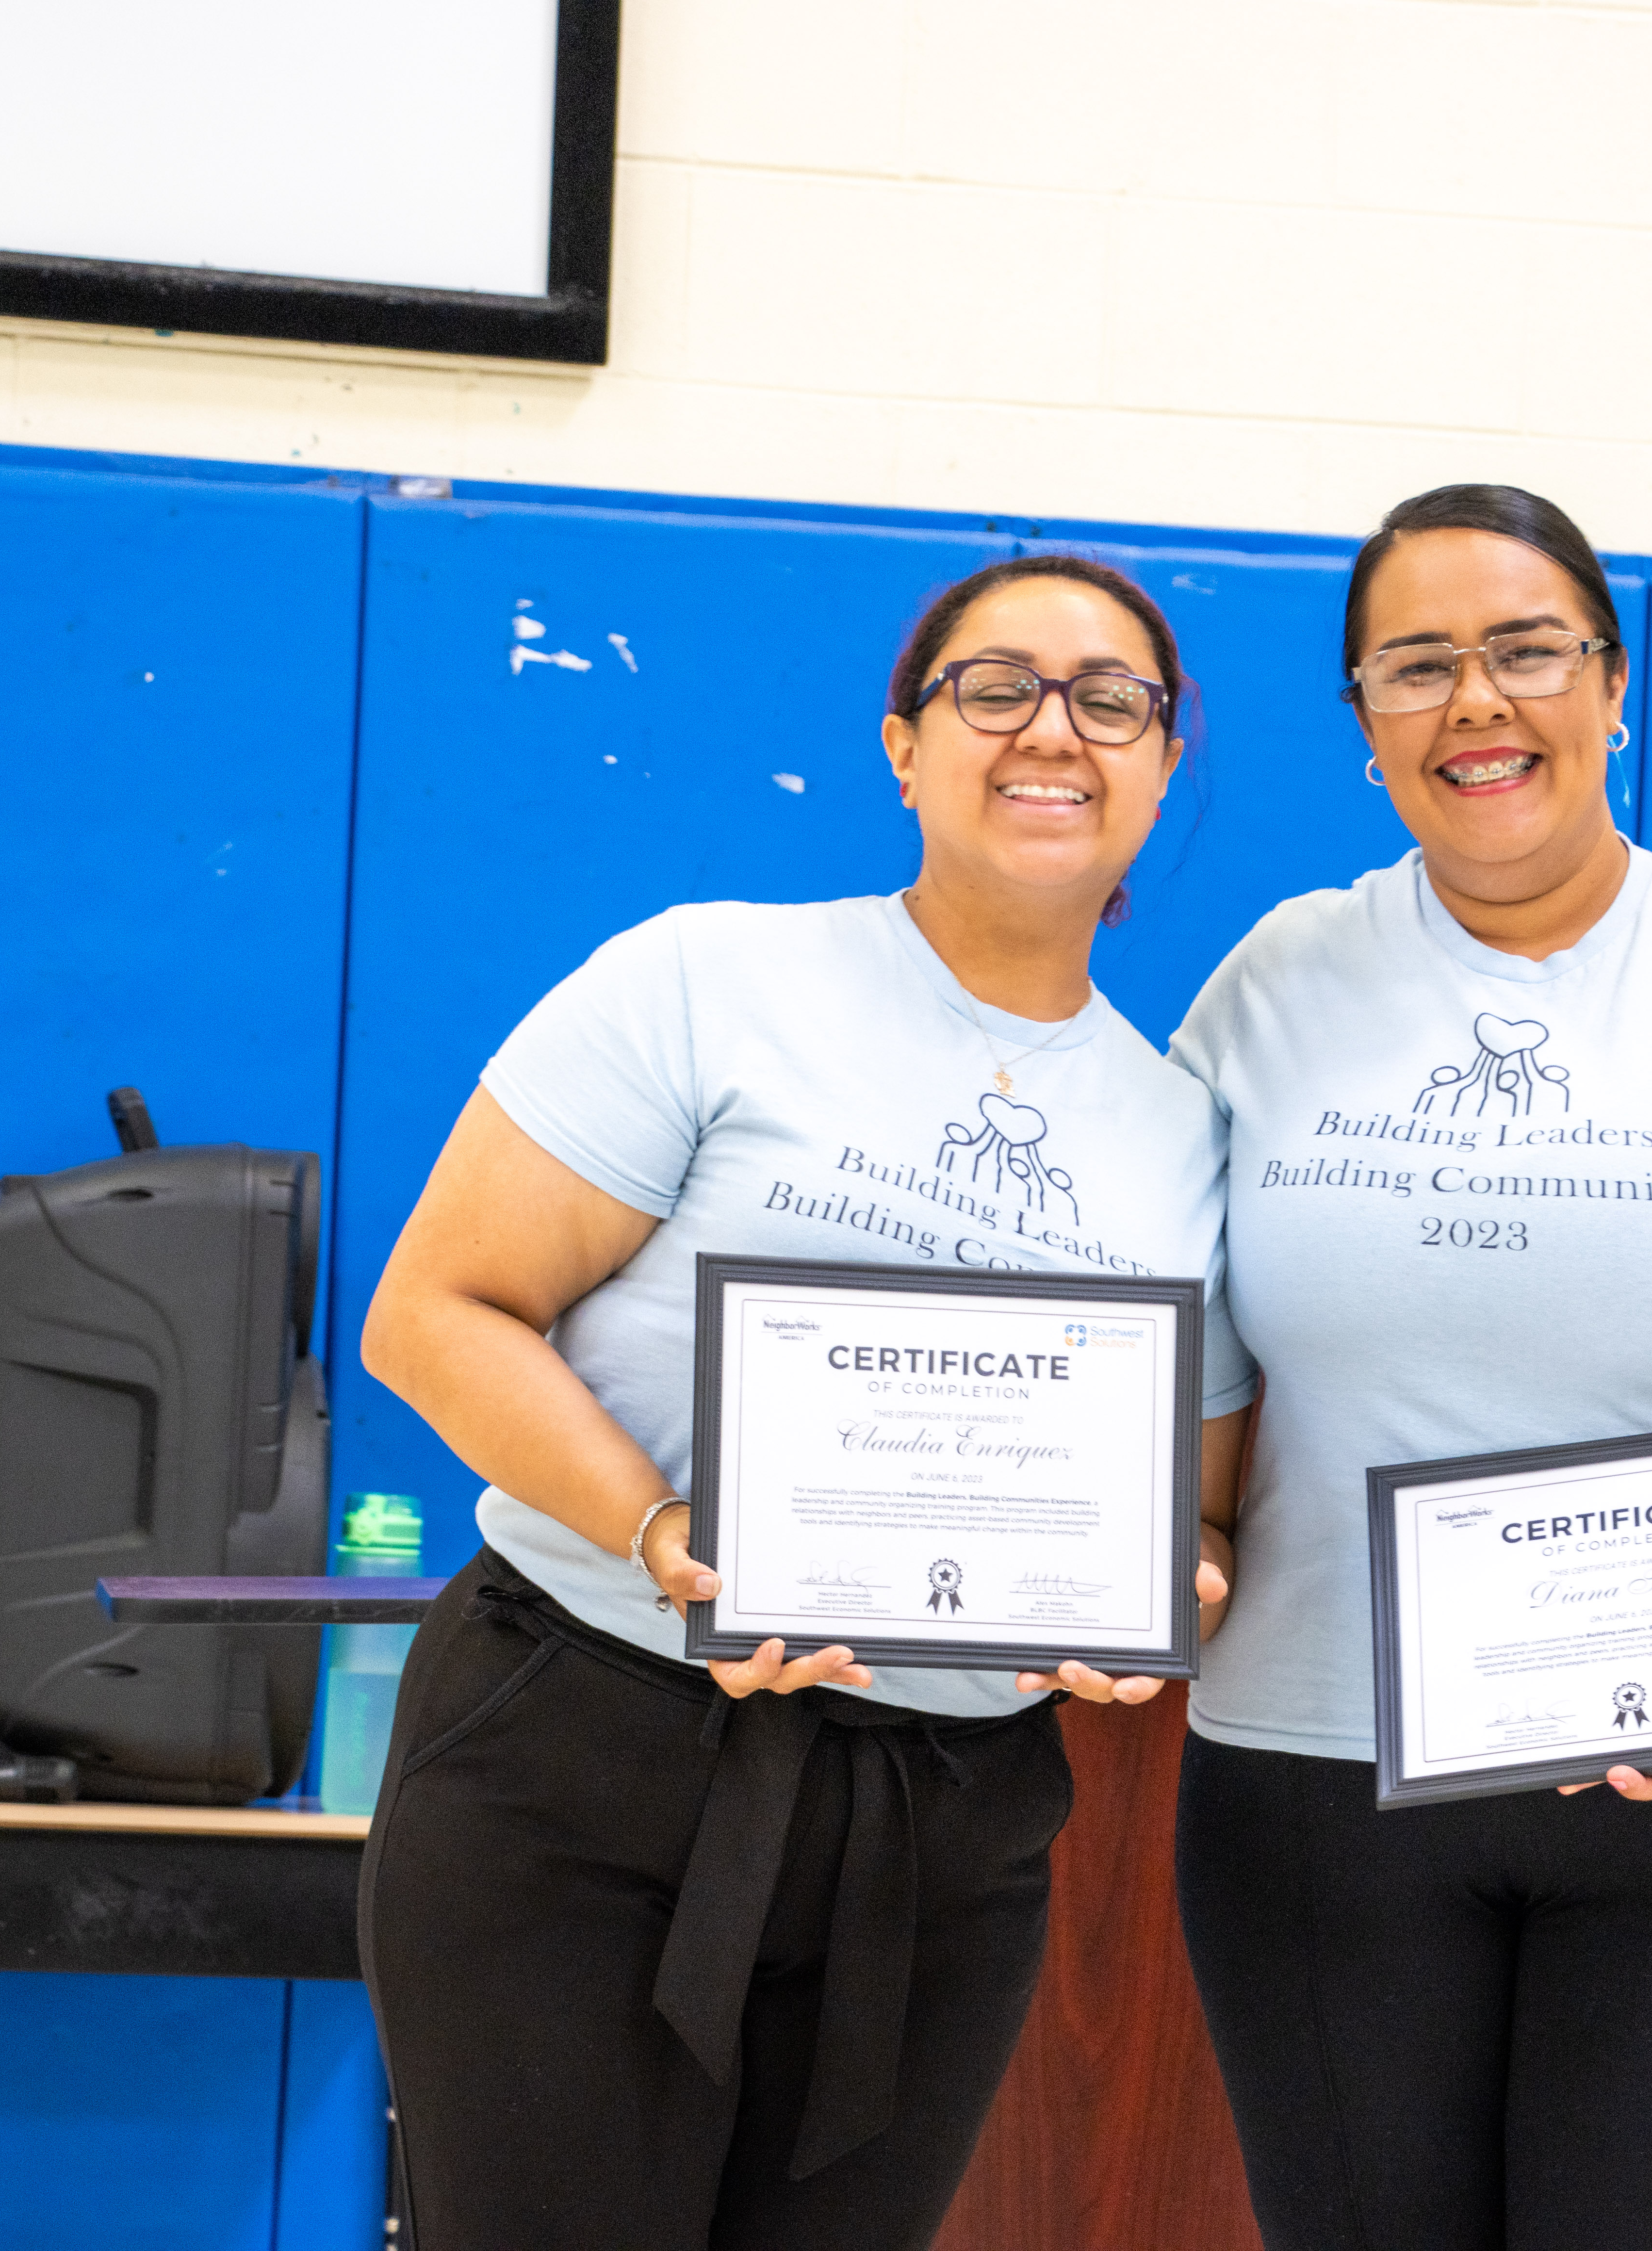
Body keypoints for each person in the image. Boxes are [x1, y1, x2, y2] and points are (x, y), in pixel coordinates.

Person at [355, 553, 1256, 2251]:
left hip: (942, 1824)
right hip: (584, 1752)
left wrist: (1165, 1594)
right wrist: (670, 1532)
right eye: (996, 687)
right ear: (905, 747)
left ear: (1161, 761)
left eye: (1110, 698)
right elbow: (437, 1314)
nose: (1051, 729)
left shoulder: (1185, 1132)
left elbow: (1194, 1511)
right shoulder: (707, 981)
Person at [1169, 485, 1652, 2250]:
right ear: (1364, 719)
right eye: (1418, 665)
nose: (1478, 702)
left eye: (1528, 651)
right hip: (1318, 1786)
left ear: (1613, 686)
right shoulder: (1272, 986)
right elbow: (1191, 1396)